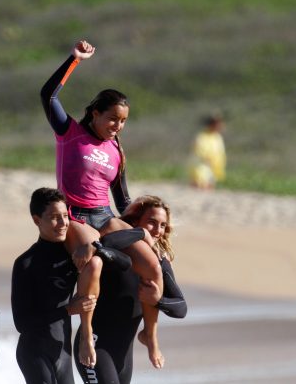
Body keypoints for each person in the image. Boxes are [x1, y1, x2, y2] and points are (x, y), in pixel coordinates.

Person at [40, 40, 165, 368]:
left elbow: (122, 198)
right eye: (112, 119)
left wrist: (143, 224)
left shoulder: (117, 151)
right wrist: (74, 60)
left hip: (105, 217)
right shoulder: (69, 133)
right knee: (93, 263)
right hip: (76, 216)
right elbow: (48, 96)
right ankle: (86, 334)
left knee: (153, 260)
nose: (117, 126)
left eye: (123, 121)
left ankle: (150, 333)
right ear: (95, 113)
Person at [11, 187, 140, 384]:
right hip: (34, 353)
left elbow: (127, 255)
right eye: (55, 217)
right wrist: (69, 309)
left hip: (62, 352)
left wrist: (95, 246)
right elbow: (22, 324)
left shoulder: (72, 255)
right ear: (37, 220)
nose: (63, 224)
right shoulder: (26, 263)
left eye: (65, 216)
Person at [74, 195, 187, 384]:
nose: (157, 231)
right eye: (151, 223)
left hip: (124, 354)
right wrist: (141, 233)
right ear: (135, 221)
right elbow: (104, 242)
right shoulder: (120, 252)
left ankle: (150, 337)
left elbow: (181, 308)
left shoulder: (159, 262)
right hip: (95, 345)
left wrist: (157, 300)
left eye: (162, 226)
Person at [189, 113, 227, 189]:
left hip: (214, 166)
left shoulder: (217, 137)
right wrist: (206, 158)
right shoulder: (202, 136)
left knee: (210, 185)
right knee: (200, 184)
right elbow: (198, 150)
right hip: (202, 165)